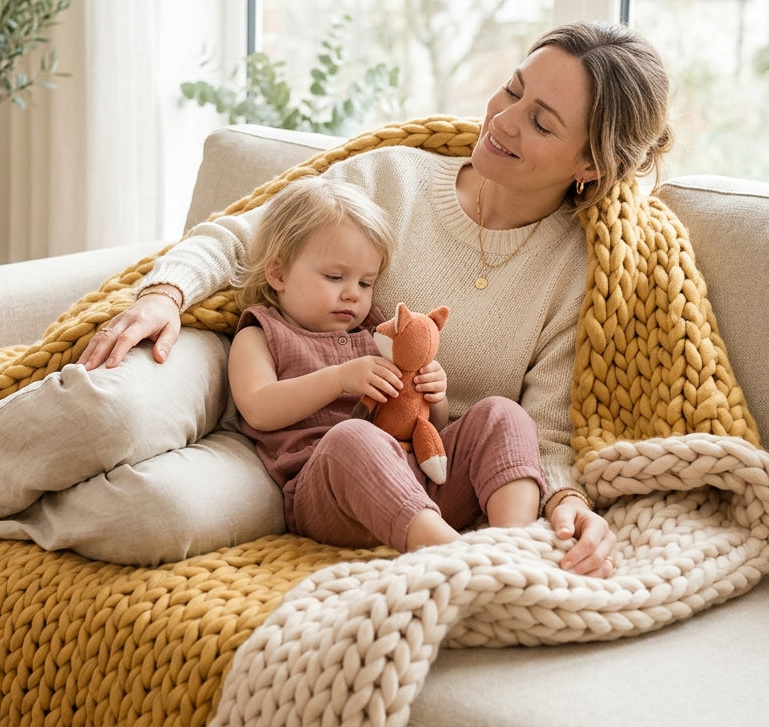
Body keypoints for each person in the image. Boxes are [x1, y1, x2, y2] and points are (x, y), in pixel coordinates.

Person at [81, 20, 676, 578]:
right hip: (338, 470)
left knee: (503, 414)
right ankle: (461, 567)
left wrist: (568, 500)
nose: (503, 120)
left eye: (542, 123)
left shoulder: (578, 272)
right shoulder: (390, 181)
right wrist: (165, 293)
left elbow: (543, 433)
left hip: (443, 473)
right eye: (511, 89)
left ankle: (509, 554)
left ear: (592, 165)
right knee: (353, 439)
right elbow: (243, 238)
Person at [228, 175, 547, 552]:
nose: (352, 294)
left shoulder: (375, 333)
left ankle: (516, 545)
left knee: (502, 413)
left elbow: (420, 421)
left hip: (422, 480)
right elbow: (260, 408)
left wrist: (435, 396)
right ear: (278, 273)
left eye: (366, 283)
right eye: (334, 277)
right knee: (351, 437)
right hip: (333, 496)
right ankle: (460, 556)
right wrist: (339, 378)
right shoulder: (263, 333)